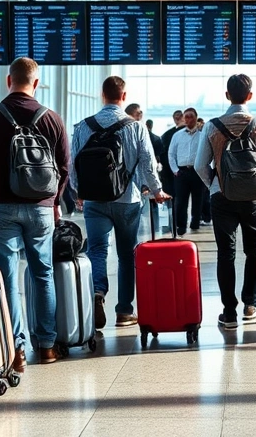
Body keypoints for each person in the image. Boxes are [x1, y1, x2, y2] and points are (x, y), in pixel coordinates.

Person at [0, 58, 69, 367]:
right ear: (36, 83)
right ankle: (48, 346)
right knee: (43, 274)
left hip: (0, 207)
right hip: (40, 208)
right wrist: (55, 200)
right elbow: (64, 167)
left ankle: (16, 349)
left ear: (9, 81)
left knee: (7, 278)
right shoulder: (52, 118)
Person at [71, 77, 169, 330]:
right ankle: (125, 310)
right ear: (124, 97)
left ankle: (98, 292)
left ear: (102, 94)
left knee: (97, 251)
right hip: (128, 200)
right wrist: (157, 191)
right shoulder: (136, 127)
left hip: (94, 199)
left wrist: (78, 192)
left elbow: (73, 163)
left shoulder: (83, 126)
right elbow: (147, 162)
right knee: (126, 256)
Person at [196, 74, 256, 330]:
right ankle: (251, 304)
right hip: (254, 197)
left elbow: (201, 165)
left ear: (227, 95)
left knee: (226, 253)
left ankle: (229, 312)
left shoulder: (212, 126)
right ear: (250, 96)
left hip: (221, 197)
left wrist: (216, 183)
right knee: (254, 250)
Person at [168, 108, 207, 235]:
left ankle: (195, 222)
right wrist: (175, 170)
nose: (189, 119)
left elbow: (208, 153)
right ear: (184, 119)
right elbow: (171, 154)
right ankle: (181, 225)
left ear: (196, 118)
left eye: (191, 116)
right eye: (187, 117)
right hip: (181, 172)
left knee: (198, 199)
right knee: (181, 201)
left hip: (197, 171)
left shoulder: (203, 135)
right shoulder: (177, 135)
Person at [159, 110, 185, 199]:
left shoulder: (166, 135)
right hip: (188, 172)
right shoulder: (196, 133)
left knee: (175, 202)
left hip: (170, 173)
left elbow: (162, 155)